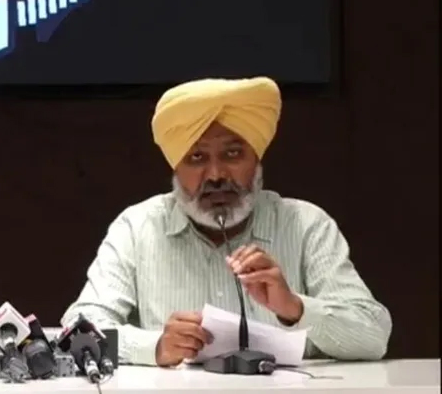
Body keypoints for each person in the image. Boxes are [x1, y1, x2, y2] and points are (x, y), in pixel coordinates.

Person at [61, 77, 391, 367]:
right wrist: (155, 347)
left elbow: (374, 337)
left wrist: (294, 307)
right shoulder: (136, 228)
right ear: (175, 167)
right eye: (196, 157)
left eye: (232, 154)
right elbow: (76, 333)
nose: (216, 175)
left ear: (256, 160)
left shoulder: (306, 225)